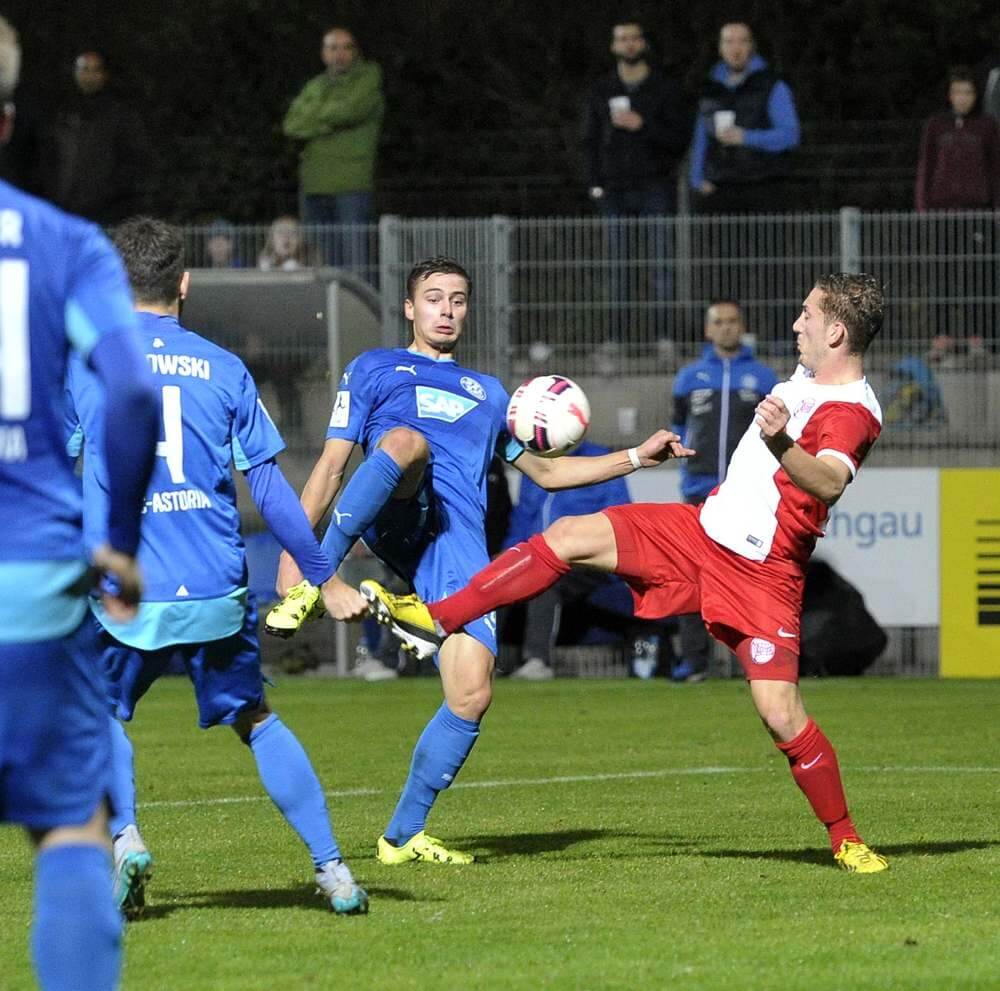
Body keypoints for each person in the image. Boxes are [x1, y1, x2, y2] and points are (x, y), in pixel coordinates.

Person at [365, 272, 891, 875]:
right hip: (699, 531)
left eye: (807, 315)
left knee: (780, 712)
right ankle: (437, 617)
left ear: (837, 330)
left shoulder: (851, 411)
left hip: (763, 572)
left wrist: (778, 444)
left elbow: (826, 481)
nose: (796, 324)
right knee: (566, 538)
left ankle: (846, 839)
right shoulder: (806, 378)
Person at [265, 256, 690, 864]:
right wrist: (300, 554)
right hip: (396, 507)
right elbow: (332, 467)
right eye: (433, 298)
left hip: (454, 542)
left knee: (470, 693)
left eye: (458, 299)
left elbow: (545, 470)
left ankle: (402, 835)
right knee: (406, 443)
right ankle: (316, 585)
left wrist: (637, 458)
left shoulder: (490, 395)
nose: (446, 309)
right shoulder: (373, 368)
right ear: (410, 309)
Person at [65, 217, 368, 916]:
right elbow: (268, 488)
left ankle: (126, 837)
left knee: (96, 713)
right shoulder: (223, 368)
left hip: (125, 592)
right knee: (257, 718)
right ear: (185, 283)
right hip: (213, 587)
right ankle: (334, 870)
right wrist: (323, 574)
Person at [0, 17, 159, 990]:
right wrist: (123, 539)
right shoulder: (66, 246)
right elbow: (132, 393)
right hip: (28, 575)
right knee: (70, 826)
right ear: (11, 119)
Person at [669, 300, 779, 682]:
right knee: (692, 576)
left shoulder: (765, 379)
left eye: (733, 321)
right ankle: (694, 662)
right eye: (719, 322)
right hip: (699, 491)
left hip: (747, 493)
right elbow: (679, 425)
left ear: (741, 326)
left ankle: (756, 659)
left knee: (750, 577)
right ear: (708, 330)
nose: (727, 328)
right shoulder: (688, 378)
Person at [503, 440, 671, 681]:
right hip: (534, 554)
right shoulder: (533, 463)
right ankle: (485, 661)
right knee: (495, 575)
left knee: (545, 579)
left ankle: (538, 661)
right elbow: (523, 518)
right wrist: (507, 553)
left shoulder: (601, 461)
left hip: (588, 561)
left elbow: (619, 519)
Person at [583, 19, 690, 342]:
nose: (629, 44)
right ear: (614, 46)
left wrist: (642, 125)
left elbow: (678, 139)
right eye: (622, 39)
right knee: (617, 269)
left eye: (634, 38)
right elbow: (588, 140)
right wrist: (594, 183)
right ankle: (616, 340)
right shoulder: (601, 90)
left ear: (643, 43)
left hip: (655, 186)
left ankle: (664, 339)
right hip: (613, 189)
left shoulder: (664, 88)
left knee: (662, 267)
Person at [282, 26, 384, 272]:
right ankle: (328, 311)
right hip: (315, 184)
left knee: (356, 264)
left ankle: (358, 312)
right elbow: (292, 125)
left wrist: (316, 117)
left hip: (351, 186)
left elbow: (350, 110)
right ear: (323, 53)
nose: (339, 53)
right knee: (320, 264)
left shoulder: (369, 79)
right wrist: (328, 121)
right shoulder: (315, 85)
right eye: (332, 47)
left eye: (346, 47)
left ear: (356, 51)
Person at [689, 22, 800, 214]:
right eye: (729, 42)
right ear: (720, 48)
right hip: (718, 188)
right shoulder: (709, 89)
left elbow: (790, 136)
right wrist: (697, 178)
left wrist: (746, 137)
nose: (736, 48)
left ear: (752, 46)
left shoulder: (773, 85)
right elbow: (701, 137)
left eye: (742, 41)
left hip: (763, 186)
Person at [39, 49, 144, 224]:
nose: (90, 75)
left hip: (107, 211)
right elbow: (48, 157)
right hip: (64, 208)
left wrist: (109, 193)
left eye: (95, 70)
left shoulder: (119, 115)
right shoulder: (60, 113)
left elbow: (132, 161)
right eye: (84, 69)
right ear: (75, 73)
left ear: (104, 75)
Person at [915, 68, 1000, 212]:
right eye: (957, 92)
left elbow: (995, 168)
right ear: (950, 95)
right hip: (941, 207)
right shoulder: (935, 125)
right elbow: (926, 167)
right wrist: (922, 206)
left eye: (968, 93)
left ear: (975, 95)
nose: (962, 98)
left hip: (978, 208)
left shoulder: (987, 126)